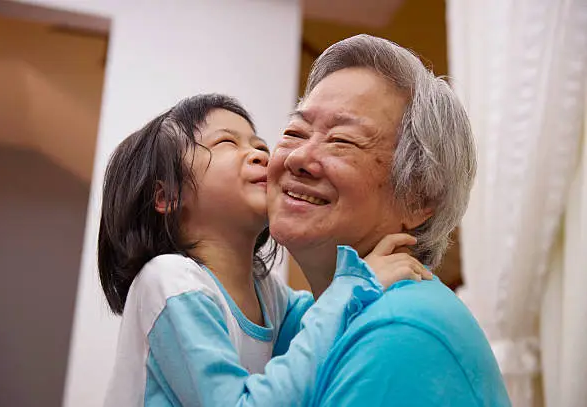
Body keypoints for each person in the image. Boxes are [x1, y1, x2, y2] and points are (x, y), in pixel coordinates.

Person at [98, 93, 431, 406]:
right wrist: (354, 287)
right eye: (227, 142)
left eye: (259, 144)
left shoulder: (270, 295)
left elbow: (317, 337)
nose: (261, 154)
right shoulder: (169, 282)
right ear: (167, 197)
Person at [267, 34, 511, 406]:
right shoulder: (310, 316)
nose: (298, 157)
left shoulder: (400, 328)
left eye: (341, 141)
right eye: (294, 132)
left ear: (417, 197)